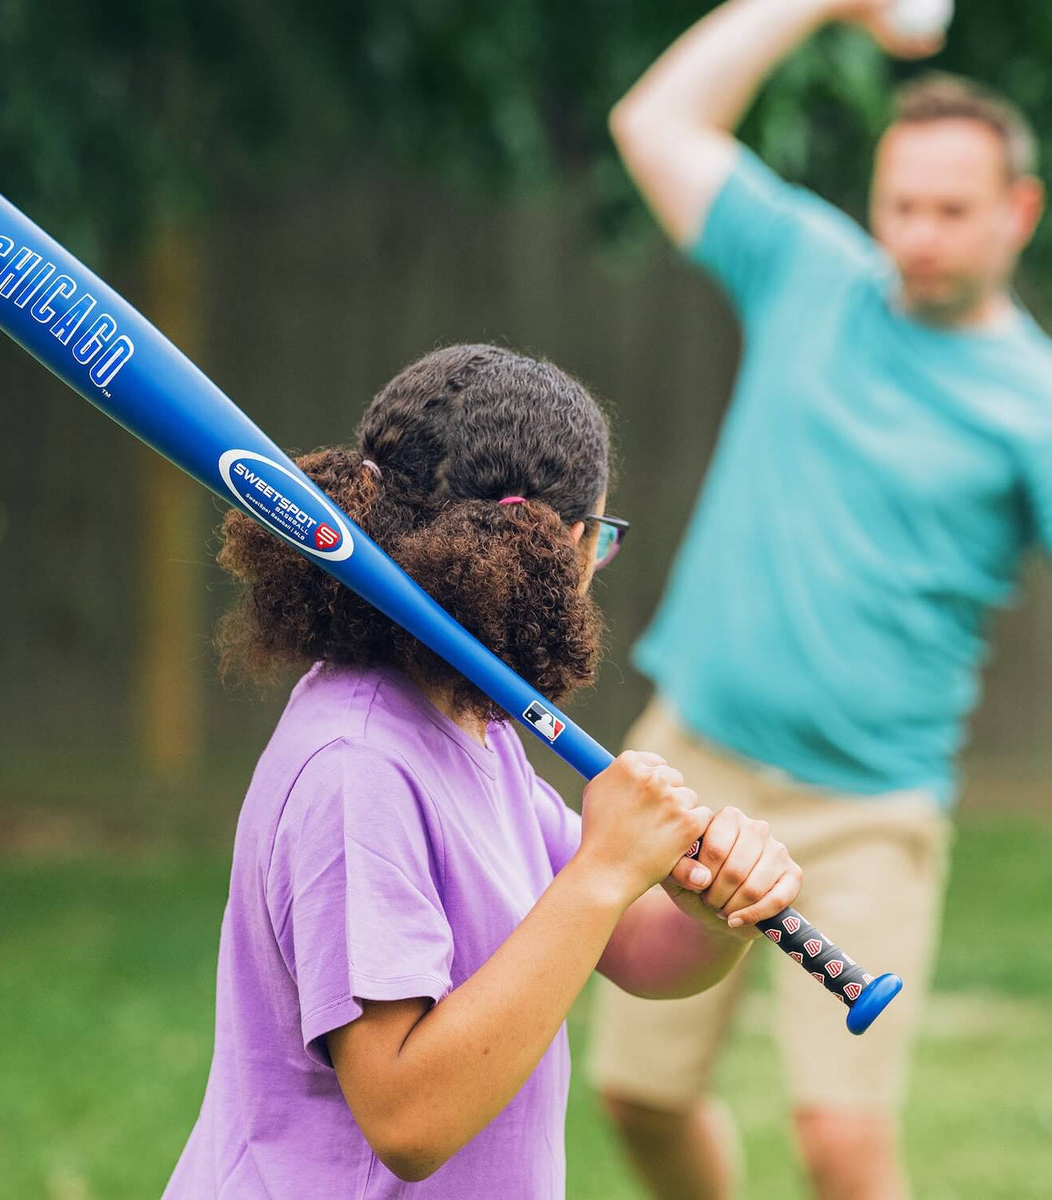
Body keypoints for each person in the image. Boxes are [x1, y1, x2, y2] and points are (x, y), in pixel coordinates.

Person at [588, 2, 1052, 1198]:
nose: (919, 235)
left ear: (1019, 213)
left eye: (953, 210)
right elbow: (655, 121)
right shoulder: (812, 273)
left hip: (870, 809)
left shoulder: (1031, 404)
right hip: (691, 764)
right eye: (901, 204)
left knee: (843, 1145)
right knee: (636, 1100)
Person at [161, 344, 803, 1197]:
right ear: (568, 544)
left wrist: (719, 911)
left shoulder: (469, 725)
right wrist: (606, 870)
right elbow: (408, 1119)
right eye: (601, 540)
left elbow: (638, 949)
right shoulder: (358, 769)